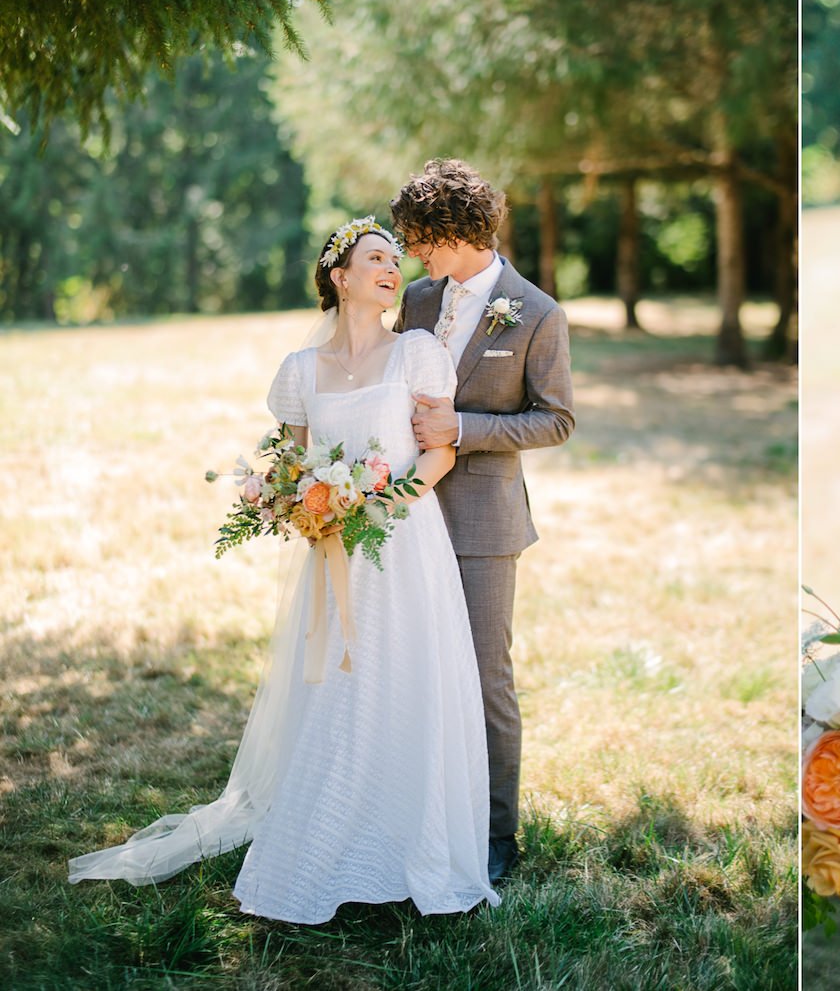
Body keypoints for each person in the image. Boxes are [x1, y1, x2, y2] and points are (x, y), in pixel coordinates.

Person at [69, 218, 500, 923]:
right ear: (340, 276)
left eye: (396, 259)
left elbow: (438, 454)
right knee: (335, 688)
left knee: (403, 678)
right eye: (376, 258)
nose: (393, 269)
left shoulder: (418, 352)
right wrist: (311, 509)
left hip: (404, 540)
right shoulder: (300, 372)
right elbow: (298, 467)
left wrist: (377, 505)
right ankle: (326, 839)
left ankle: (407, 841)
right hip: (333, 552)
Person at [389, 159, 575, 884]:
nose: (414, 252)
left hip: (482, 524)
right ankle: (424, 807)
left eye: (421, 238)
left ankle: (499, 831)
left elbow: (555, 420)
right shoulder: (415, 298)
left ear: (456, 230)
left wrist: (462, 426)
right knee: (416, 666)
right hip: (407, 512)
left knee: (485, 674)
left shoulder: (536, 313)